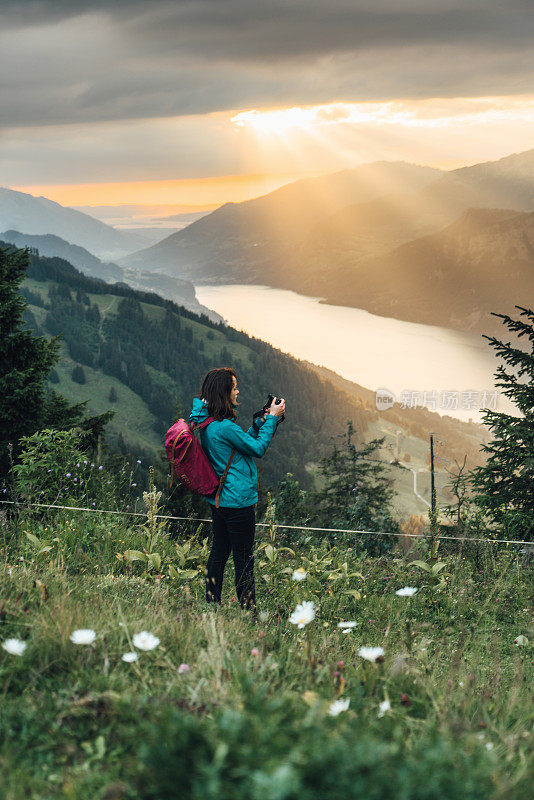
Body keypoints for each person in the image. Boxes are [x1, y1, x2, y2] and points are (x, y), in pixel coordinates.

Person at [188, 367, 285, 611]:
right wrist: (272, 419)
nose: (237, 391)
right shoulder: (225, 427)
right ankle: (248, 611)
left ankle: (212, 603)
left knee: (219, 552)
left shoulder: (209, 424)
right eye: (234, 387)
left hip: (219, 500)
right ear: (224, 393)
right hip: (239, 502)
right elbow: (258, 449)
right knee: (244, 559)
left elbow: (241, 445)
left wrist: (258, 424)